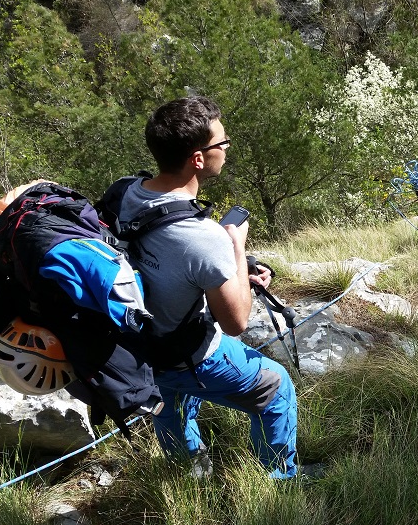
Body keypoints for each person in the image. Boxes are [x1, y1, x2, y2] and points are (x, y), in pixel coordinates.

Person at [113, 96, 298, 479]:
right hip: (189, 353)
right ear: (199, 158)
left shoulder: (125, 192)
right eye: (223, 143)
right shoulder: (206, 238)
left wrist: (232, 270)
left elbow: (171, 268)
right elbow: (235, 322)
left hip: (141, 347)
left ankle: (188, 472)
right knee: (276, 390)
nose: (226, 148)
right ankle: (277, 485)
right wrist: (235, 244)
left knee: (173, 402)